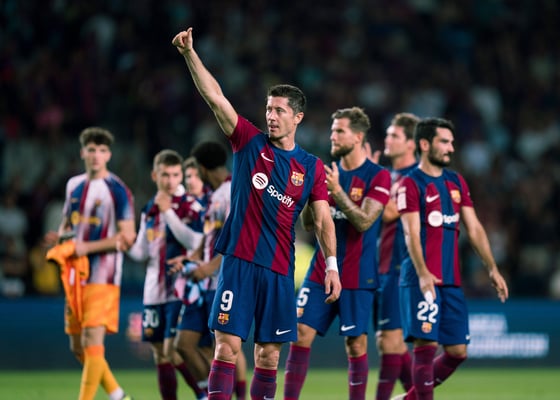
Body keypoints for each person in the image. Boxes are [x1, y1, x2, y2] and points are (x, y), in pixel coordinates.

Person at [172, 27, 341, 400]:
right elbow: (215, 98)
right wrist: (189, 54)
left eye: (280, 110)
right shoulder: (248, 142)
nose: (271, 116)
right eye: (268, 109)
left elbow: (323, 220)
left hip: (279, 269)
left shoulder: (311, 167)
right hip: (239, 263)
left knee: (269, 356)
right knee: (226, 347)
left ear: (298, 117)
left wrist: (332, 267)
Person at [391, 117, 509, 400]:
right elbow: (410, 232)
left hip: (451, 281)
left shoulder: (456, 182)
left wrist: (492, 268)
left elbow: (475, 228)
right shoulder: (410, 184)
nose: (451, 148)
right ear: (424, 144)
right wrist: (422, 273)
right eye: (444, 142)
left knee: (458, 351)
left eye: (452, 142)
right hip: (421, 278)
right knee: (426, 346)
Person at [283, 107, 391, 400]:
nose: (333, 136)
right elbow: (308, 224)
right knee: (300, 335)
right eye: (332, 130)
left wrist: (337, 191)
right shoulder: (324, 173)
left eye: (339, 131)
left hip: (357, 273)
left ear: (357, 137)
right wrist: (310, 193)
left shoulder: (378, 176)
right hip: (321, 270)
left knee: (355, 345)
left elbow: (364, 221)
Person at [45, 127, 136, 400]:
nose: (96, 155)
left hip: (103, 274)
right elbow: (68, 225)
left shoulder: (118, 190)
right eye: (91, 149)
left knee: (92, 342)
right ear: (82, 152)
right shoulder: (73, 185)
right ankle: (118, 395)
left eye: (102, 150)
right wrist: (60, 238)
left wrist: (86, 247)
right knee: (78, 347)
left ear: (109, 155)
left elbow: (128, 237)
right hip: (75, 274)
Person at [126, 149, 208, 400]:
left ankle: (204, 394)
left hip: (180, 289)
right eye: (165, 175)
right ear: (155, 176)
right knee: (159, 353)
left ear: (181, 175)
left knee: (174, 351)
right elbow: (141, 251)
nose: (170, 180)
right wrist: (125, 243)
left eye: (175, 175)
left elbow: (196, 241)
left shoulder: (190, 205)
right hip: (154, 290)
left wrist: (169, 213)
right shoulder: (150, 209)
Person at [174, 144, 247, 400]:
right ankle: (209, 395)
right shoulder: (214, 195)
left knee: (224, 347)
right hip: (204, 285)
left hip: (224, 283)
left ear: (203, 168)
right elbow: (209, 239)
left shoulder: (233, 192)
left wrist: (209, 268)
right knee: (184, 345)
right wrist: (192, 259)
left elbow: (237, 238)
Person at [374, 113, 419, 400]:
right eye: (388, 134)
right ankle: (421, 396)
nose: (387, 139)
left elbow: (390, 212)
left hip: (400, 268)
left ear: (411, 144)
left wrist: (365, 183)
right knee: (390, 343)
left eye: (395, 136)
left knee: (389, 341)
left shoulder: (416, 177)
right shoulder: (388, 177)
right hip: (379, 266)